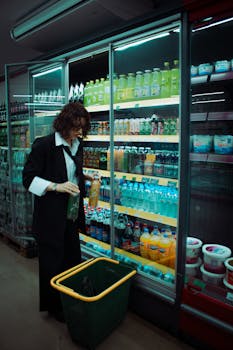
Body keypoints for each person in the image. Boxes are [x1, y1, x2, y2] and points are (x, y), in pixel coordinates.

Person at [22, 101, 93, 322]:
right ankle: (54, 307)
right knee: (52, 262)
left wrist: (85, 178)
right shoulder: (43, 146)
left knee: (72, 258)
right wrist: (56, 186)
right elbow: (28, 179)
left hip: (70, 214)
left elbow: (71, 172)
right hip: (50, 216)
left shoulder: (76, 145)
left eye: (83, 128)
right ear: (63, 124)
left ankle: (70, 298)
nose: (80, 132)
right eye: (76, 127)